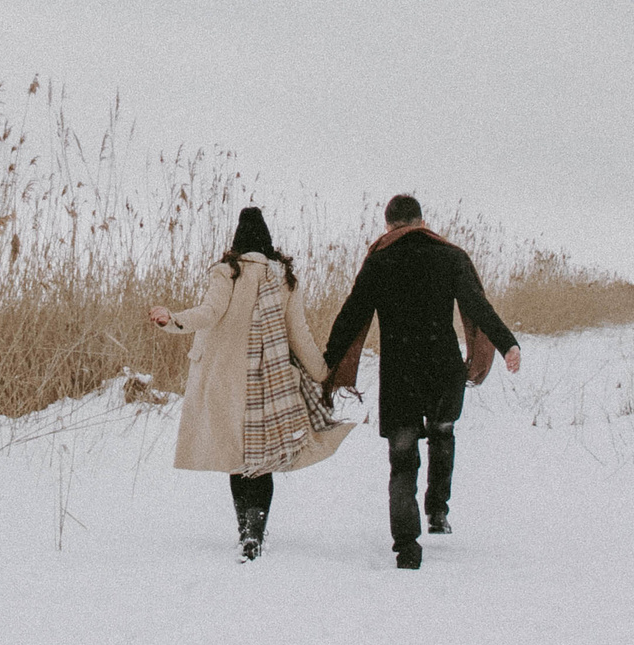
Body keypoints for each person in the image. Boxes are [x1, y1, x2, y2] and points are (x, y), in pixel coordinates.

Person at [321, 195, 520, 569]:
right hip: (443, 367)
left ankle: (407, 546)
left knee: (402, 456)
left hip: (400, 373)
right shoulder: (451, 256)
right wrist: (507, 343)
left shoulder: (379, 260)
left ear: (389, 226)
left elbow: (351, 315)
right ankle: (437, 510)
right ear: (422, 221)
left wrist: (328, 363)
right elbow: (478, 305)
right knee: (443, 431)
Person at [148, 206, 349, 560]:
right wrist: (321, 373)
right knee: (262, 458)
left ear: (237, 241)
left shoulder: (228, 272)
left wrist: (172, 319)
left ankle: (245, 531)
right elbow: (297, 331)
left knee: (238, 458)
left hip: (227, 380)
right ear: (268, 241)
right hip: (271, 379)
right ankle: (255, 530)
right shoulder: (284, 277)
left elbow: (209, 313)